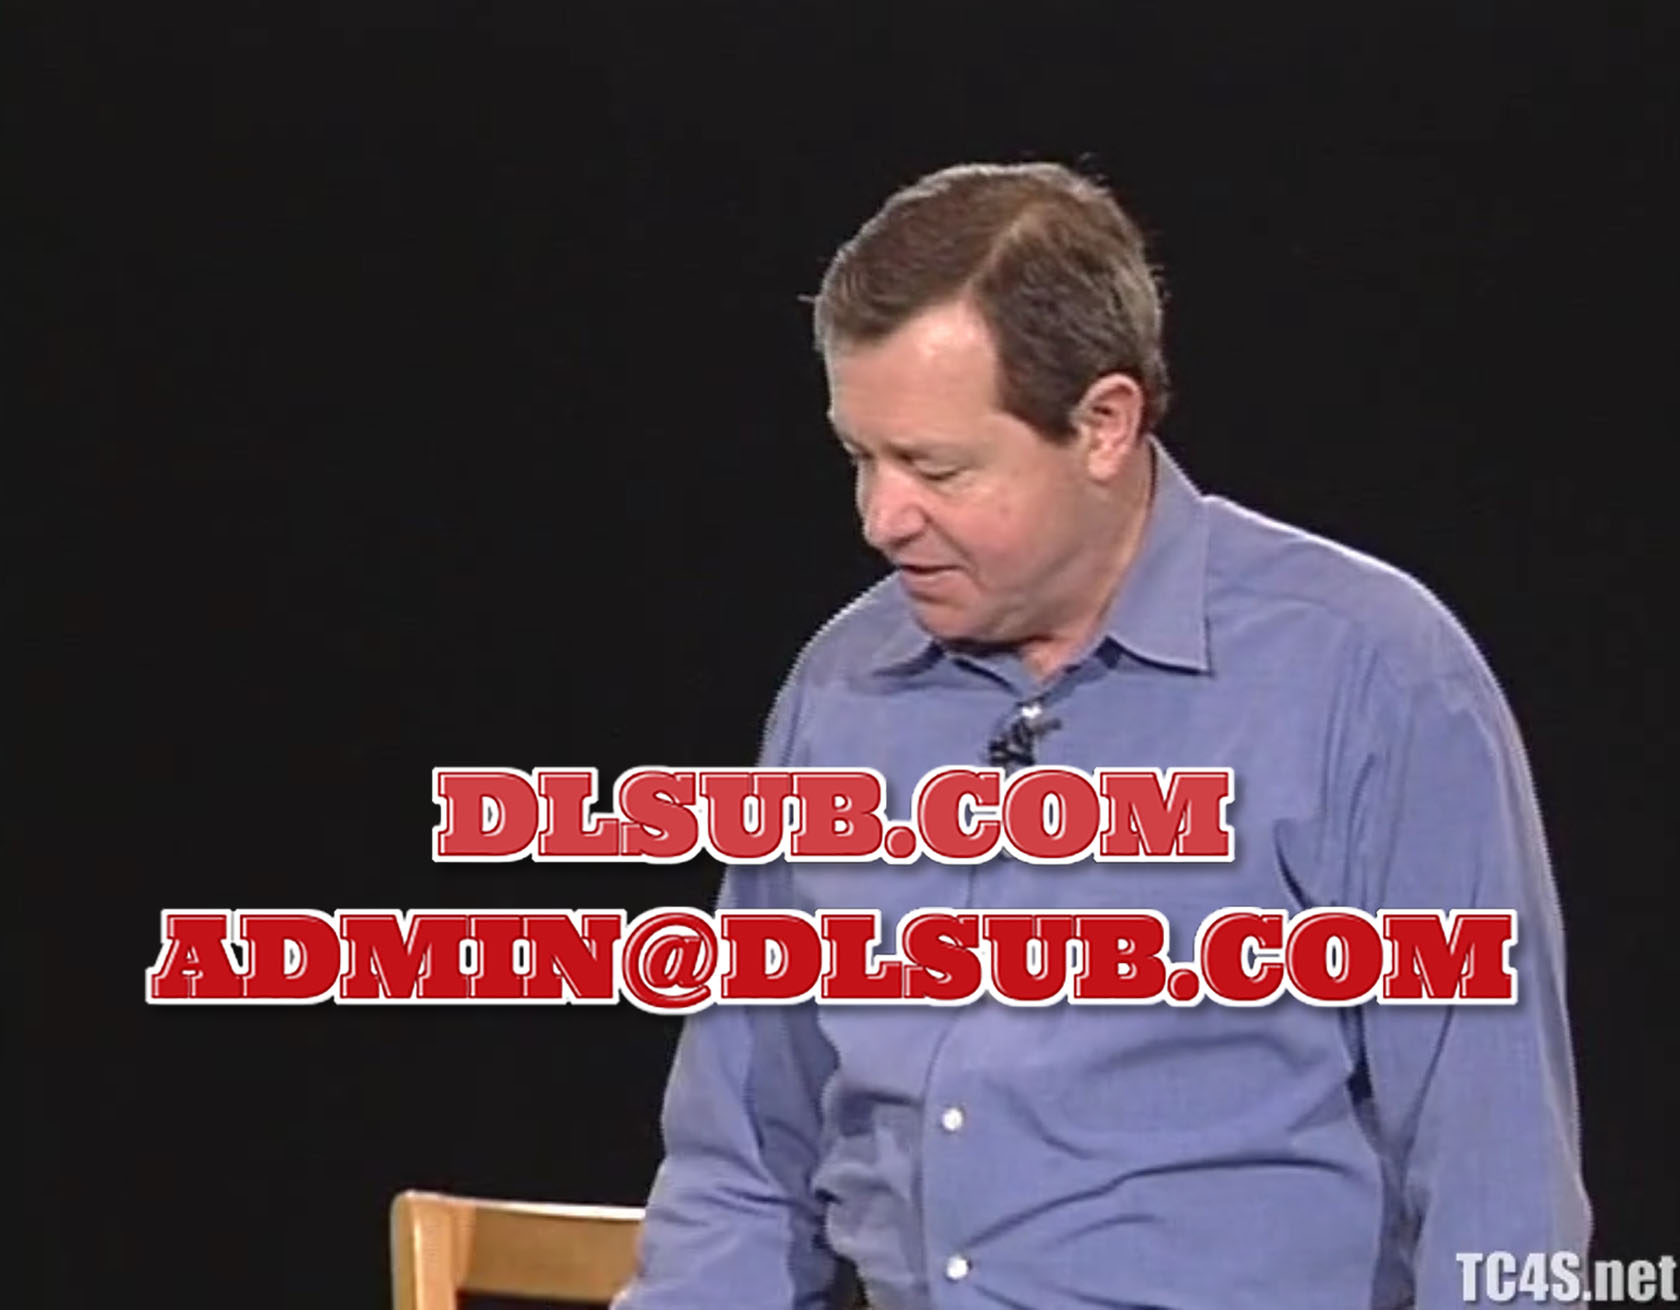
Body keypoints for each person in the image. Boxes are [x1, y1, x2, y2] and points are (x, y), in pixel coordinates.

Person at [611, 161, 1589, 1309]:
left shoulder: (1369, 677)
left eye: (935, 467)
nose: (881, 517)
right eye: (859, 458)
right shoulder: (843, 689)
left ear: (1104, 424)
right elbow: (740, 1165)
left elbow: (1499, 1185)